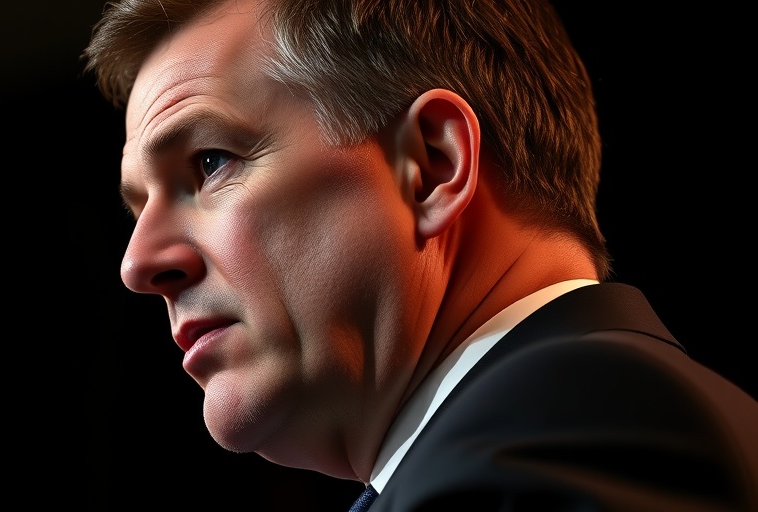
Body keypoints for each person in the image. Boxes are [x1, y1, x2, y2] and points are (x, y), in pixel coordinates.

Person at [81, 0, 758, 510]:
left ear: (432, 165)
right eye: (139, 210)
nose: (138, 264)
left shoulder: (558, 441)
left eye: (209, 163)